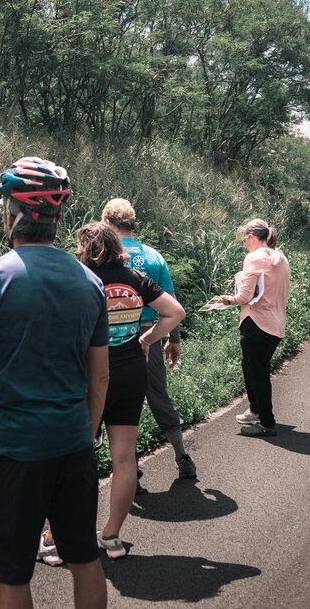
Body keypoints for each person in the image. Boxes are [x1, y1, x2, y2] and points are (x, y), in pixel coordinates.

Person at [0, 157, 109, 609]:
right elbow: (100, 377)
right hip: (74, 447)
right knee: (84, 558)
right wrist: (86, 435)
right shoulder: (89, 282)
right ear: (57, 217)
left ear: (11, 212)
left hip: (15, 451)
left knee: (13, 574)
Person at [75, 221, 185, 559]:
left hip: (91, 376)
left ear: (86, 249)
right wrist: (147, 338)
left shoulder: (81, 281)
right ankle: (112, 536)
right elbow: (175, 312)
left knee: (77, 460)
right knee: (124, 458)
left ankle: (55, 536)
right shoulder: (135, 279)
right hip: (130, 371)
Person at [101, 198, 197, 481]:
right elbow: (171, 304)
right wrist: (173, 339)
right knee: (158, 395)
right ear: (132, 223)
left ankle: (130, 470)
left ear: (107, 223)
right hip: (148, 335)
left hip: (108, 338)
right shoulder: (153, 256)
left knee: (112, 401)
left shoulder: (102, 257)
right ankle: (182, 457)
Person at [214, 219, 290, 437]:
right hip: (275, 323)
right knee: (253, 369)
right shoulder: (279, 257)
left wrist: (229, 299)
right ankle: (256, 410)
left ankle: (267, 423)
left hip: (256, 322)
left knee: (258, 374)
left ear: (252, 237)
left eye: (245, 239)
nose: (244, 243)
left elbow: (245, 296)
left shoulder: (254, 257)